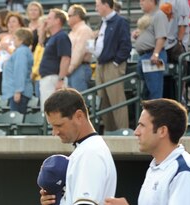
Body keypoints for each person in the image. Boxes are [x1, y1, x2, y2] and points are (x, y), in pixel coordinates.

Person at [93, 0, 131, 132]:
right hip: (101, 65)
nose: (96, 8)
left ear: (106, 5)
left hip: (112, 65)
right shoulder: (103, 22)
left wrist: (116, 63)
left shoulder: (120, 21)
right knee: (104, 102)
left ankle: (123, 132)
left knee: (117, 101)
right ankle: (109, 132)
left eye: (98, 5)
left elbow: (126, 45)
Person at [133, 0, 168, 100]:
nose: (140, 2)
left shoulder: (159, 15)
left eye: (143, 0)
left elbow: (161, 36)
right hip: (144, 56)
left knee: (154, 92)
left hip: (153, 56)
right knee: (146, 93)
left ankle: (156, 115)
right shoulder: (146, 17)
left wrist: (156, 54)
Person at [38, 9, 71, 111]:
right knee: (48, 110)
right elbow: (41, 42)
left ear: (57, 21)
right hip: (48, 78)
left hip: (54, 78)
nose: (46, 21)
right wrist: (43, 29)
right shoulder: (53, 37)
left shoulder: (61, 36)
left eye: (49, 18)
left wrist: (60, 80)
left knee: (53, 111)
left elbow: (65, 58)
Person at [2, 27, 34, 114]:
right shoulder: (21, 51)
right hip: (16, 92)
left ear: (21, 40)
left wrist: (18, 91)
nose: (13, 41)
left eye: (15, 38)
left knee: (17, 118)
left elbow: (20, 71)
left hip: (19, 93)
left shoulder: (21, 52)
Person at [67, 5, 93, 93]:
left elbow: (79, 52)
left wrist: (69, 69)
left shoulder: (84, 30)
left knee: (78, 99)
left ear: (77, 16)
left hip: (79, 68)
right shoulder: (72, 31)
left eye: (69, 16)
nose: (68, 18)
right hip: (72, 69)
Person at [161, 0, 190, 64]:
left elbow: (183, 23)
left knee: (177, 70)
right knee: (162, 70)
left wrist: (179, 42)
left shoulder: (181, 1)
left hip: (175, 44)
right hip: (162, 43)